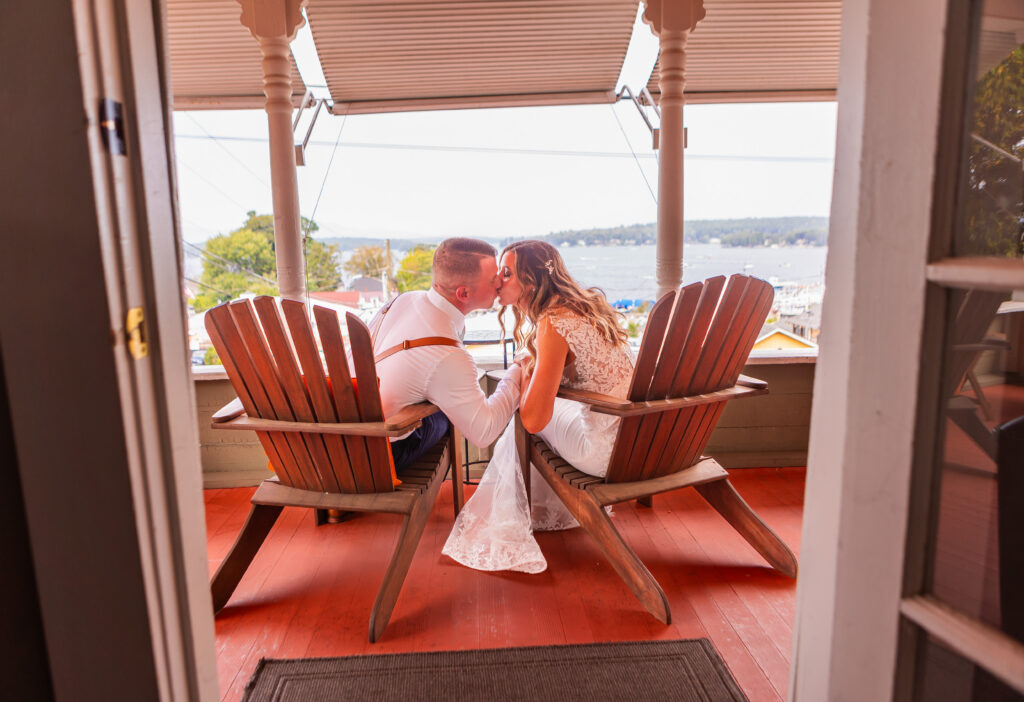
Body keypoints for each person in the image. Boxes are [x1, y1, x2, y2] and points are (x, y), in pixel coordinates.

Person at [442, 240, 634, 573]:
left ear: (531, 282)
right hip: (636, 439)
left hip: (604, 453)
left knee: (521, 414)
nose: (498, 281)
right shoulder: (584, 307)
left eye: (507, 273)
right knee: (547, 405)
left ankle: (517, 515)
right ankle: (539, 507)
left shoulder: (553, 323)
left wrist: (525, 371)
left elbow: (533, 419)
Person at [369, 237, 522, 469]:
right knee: (442, 414)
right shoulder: (447, 353)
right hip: (380, 454)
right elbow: (485, 432)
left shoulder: (404, 299)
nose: (501, 282)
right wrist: (518, 370)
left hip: (341, 437)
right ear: (464, 294)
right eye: (494, 279)